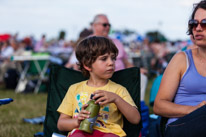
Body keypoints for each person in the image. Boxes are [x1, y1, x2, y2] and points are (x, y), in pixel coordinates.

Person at [57, 36, 140, 137]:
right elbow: (61, 124)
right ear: (87, 65)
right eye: (104, 59)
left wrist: (116, 99)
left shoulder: (119, 90)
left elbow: (135, 119)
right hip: (81, 131)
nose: (111, 63)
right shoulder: (74, 89)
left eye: (113, 58)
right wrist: (77, 121)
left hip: (109, 132)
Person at [153, 1, 206, 136]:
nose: (198, 28)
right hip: (182, 125)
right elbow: (159, 105)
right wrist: (196, 110)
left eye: (204, 23)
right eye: (194, 23)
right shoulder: (182, 59)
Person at [91, 14, 148, 101]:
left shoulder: (116, 42)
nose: (107, 27)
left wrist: (137, 70)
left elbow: (126, 62)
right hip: (102, 77)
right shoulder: (87, 43)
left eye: (109, 25)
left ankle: (139, 106)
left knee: (142, 78)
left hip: (122, 75)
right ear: (95, 25)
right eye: (104, 25)